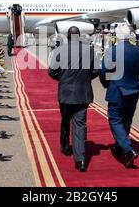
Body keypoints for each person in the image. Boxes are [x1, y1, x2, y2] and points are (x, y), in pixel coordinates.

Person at [48, 26, 100, 172]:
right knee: (80, 125)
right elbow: (96, 71)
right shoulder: (89, 51)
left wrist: (63, 79)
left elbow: (51, 71)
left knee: (65, 120)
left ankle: (65, 147)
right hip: (82, 93)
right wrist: (85, 79)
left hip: (65, 92)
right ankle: (81, 159)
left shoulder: (59, 50)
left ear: (68, 37)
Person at [100, 25, 139, 168]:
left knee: (115, 120)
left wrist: (107, 83)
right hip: (133, 90)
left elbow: (104, 72)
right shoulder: (138, 51)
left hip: (117, 90)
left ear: (117, 36)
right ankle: (120, 147)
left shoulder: (112, 51)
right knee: (127, 120)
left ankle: (127, 149)